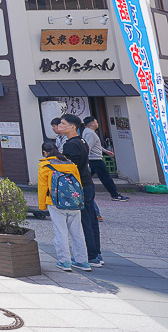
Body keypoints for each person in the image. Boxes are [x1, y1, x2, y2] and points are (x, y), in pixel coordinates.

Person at [38, 141, 91, 272]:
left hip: (55, 202)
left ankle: (65, 261)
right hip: (74, 202)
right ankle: (82, 261)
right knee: (77, 232)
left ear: (45, 153)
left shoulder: (45, 165)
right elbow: (78, 184)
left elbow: (42, 187)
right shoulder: (71, 164)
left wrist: (42, 205)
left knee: (60, 232)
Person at [59, 113, 103, 267]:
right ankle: (96, 253)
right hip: (87, 183)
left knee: (84, 221)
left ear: (73, 127)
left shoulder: (71, 144)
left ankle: (90, 256)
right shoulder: (82, 141)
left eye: (63, 124)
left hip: (79, 185)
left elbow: (71, 168)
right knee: (91, 219)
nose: (60, 126)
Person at [83, 116, 129, 202]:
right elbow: (88, 147)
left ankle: (82, 192)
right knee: (106, 177)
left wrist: (105, 151)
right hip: (95, 160)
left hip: (93, 159)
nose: (97, 123)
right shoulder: (90, 133)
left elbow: (94, 145)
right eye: (96, 122)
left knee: (87, 177)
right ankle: (115, 195)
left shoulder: (88, 132)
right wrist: (86, 160)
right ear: (92, 123)